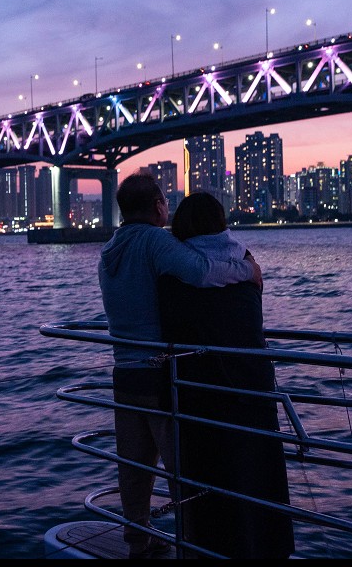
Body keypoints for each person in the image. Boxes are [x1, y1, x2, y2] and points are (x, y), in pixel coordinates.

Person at [98, 172, 261, 559]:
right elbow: (202, 271)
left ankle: (139, 541)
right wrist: (248, 271)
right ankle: (192, 545)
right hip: (158, 375)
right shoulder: (154, 240)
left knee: (134, 469)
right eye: (164, 203)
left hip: (124, 374)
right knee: (180, 471)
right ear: (157, 206)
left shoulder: (110, 249)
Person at [157, 192, 295, 559]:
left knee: (212, 490)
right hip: (255, 389)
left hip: (204, 395)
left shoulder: (176, 275)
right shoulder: (247, 264)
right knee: (261, 483)